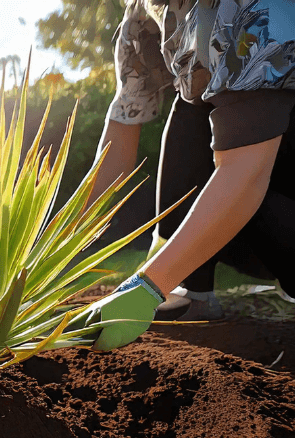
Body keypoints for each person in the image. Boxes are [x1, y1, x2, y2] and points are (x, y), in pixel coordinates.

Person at [73, 0, 295, 350]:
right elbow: (119, 141)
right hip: (249, 201)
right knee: (190, 103)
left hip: (273, 185)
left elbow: (247, 173)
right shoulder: (142, 18)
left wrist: (147, 287)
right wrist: (54, 241)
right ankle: (190, 291)